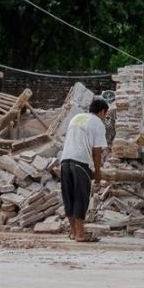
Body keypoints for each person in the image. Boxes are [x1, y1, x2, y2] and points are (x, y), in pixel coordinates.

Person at [61, 98, 109, 242]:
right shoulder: (98, 123)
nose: (105, 117)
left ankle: (74, 232)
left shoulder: (76, 117)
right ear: (102, 112)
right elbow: (97, 151)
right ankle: (80, 234)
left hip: (65, 160)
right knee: (81, 197)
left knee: (68, 197)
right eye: (105, 114)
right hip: (81, 162)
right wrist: (98, 173)